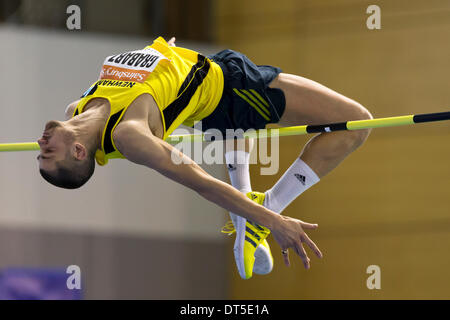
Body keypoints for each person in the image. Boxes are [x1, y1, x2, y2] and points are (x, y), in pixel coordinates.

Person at [37, 36, 372, 278]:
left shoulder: (77, 107)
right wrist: (274, 222)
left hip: (210, 75)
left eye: (41, 151)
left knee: (242, 127)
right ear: (80, 151)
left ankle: (251, 214)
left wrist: (160, 55)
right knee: (356, 123)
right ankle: (268, 209)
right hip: (233, 90)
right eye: (49, 151)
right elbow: (202, 182)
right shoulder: (128, 134)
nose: (41, 142)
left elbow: (140, 78)